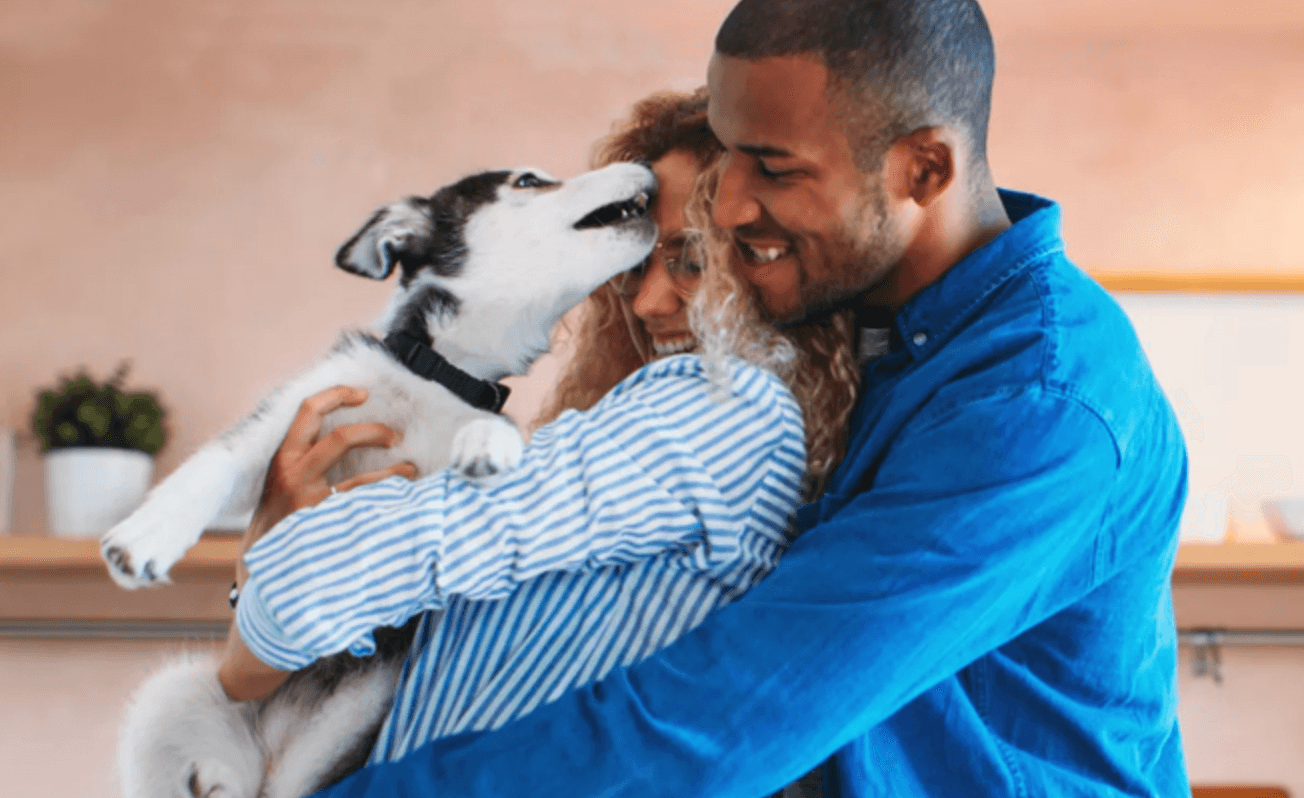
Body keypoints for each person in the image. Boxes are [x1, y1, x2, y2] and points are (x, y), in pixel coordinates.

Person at [263, 0, 1188, 796]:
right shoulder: (847, 330)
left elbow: (725, 714)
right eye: (731, 156)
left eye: (774, 168)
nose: (734, 203)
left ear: (924, 171)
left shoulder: (1038, 405)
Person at [217, 87, 858, 771]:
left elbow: (347, 578)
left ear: (765, 255)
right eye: (636, 264)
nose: (645, 301)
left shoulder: (728, 411)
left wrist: (260, 581)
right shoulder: (641, 438)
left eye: (693, 260)